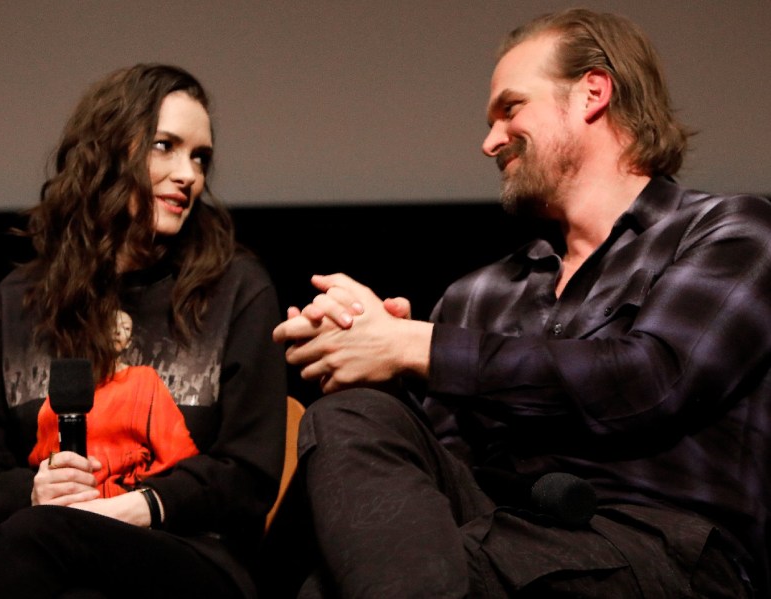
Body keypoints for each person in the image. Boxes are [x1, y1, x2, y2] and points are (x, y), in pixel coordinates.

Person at [273, 8, 770, 598]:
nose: (488, 142)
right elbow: (440, 471)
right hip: (495, 536)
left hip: (661, 549)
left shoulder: (728, 232)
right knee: (351, 417)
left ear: (592, 93)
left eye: (510, 108)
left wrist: (419, 345)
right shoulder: (479, 294)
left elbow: (651, 380)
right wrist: (374, 357)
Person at [0, 64, 287, 598]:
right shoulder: (16, 303)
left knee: (36, 544)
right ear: (109, 151)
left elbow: (247, 473)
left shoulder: (236, 290)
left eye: (200, 157)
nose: (188, 174)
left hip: (190, 558)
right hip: (44, 548)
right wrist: (34, 492)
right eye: (165, 146)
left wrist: (119, 509)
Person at [28, 310, 200, 498]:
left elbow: (179, 451)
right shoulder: (70, 386)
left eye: (125, 328)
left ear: (130, 342)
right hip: (64, 501)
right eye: (112, 326)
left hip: (125, 505)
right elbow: (44, 454)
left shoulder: (144, 379)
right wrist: (55, 472)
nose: (118, 332)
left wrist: (142, 495)